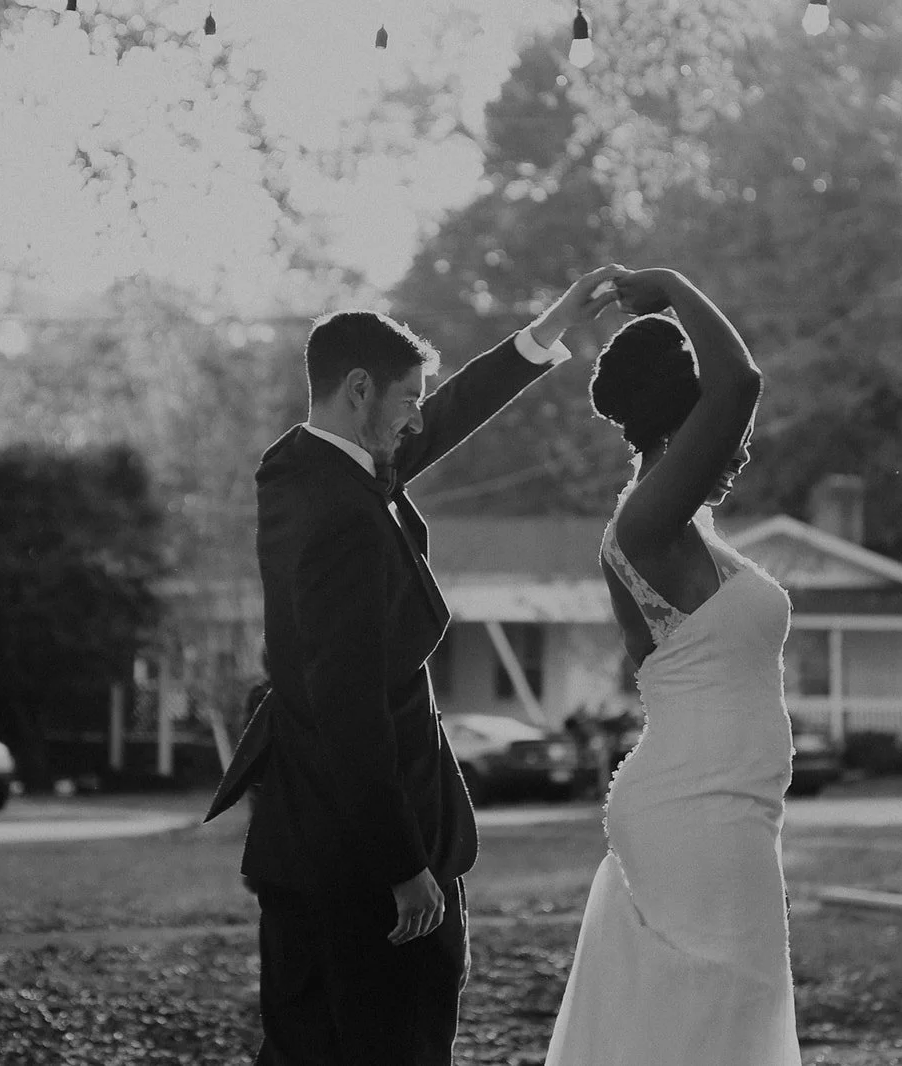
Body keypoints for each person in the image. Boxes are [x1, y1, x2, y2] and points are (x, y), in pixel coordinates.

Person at [205, 266, 623, 1066]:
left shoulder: (303, 467)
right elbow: (350, 707)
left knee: (306, 1045)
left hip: (304, 832)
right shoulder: (343, 520)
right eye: (407, 399)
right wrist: (402, 866)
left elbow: (450, 415)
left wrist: (548, 329)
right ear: (359, 390)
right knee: (394, 1041)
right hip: (361, 851)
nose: (417, 418)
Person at [542, 269, 800, 1064]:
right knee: (716, 1024)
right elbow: (741, 382)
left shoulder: (689, 535)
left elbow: (732, 395)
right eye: (721, 433)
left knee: (724, 1027)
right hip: (696, 816)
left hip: (729, 813)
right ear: (687, 426)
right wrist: (672, 286)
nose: (743, 447)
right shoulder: (644, 522)